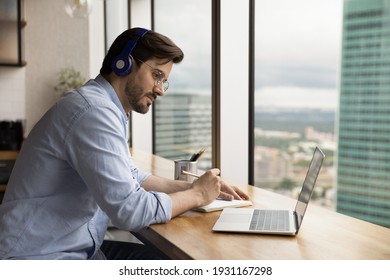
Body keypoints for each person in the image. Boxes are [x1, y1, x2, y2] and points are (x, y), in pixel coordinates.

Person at [0, 27, 250, 260]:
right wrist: (197, 195)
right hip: (42, 257)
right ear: (124, 64)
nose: (160, 90)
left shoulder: (102, 106)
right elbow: (130, 211)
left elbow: (133, 176)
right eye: (156, 75)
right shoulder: (93, 111)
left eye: (164, 81)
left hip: (69, 248)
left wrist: (196, 187)